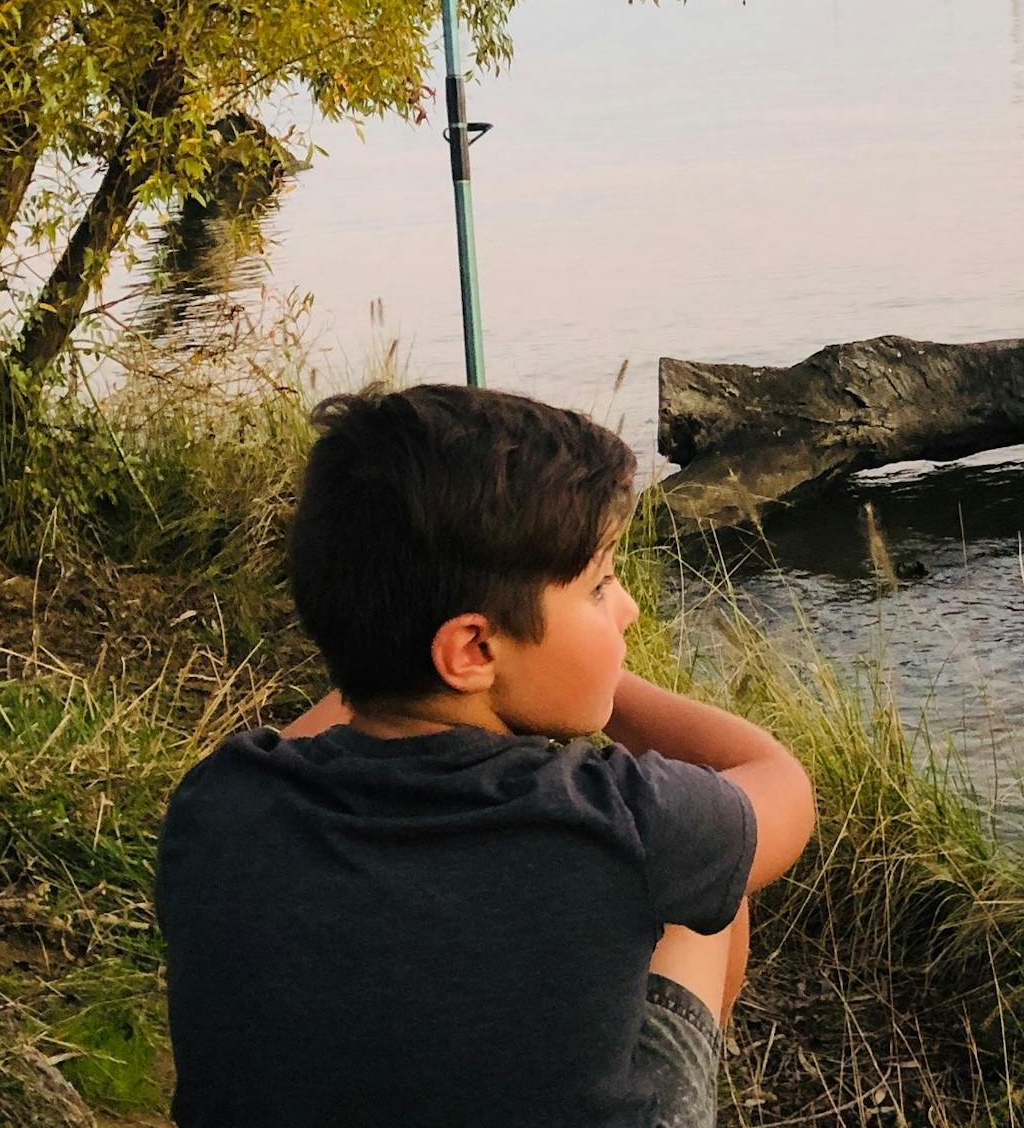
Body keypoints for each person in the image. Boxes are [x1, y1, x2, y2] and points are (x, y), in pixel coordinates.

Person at [155, 384, 815, 1127]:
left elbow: (358, 701)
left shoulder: (218, 801)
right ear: (471, 648)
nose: (626, 609)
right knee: (711, 889)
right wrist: (607, 684)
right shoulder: (615, 820)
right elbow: (777, 783)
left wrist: (392, 654)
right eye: (600, 588)